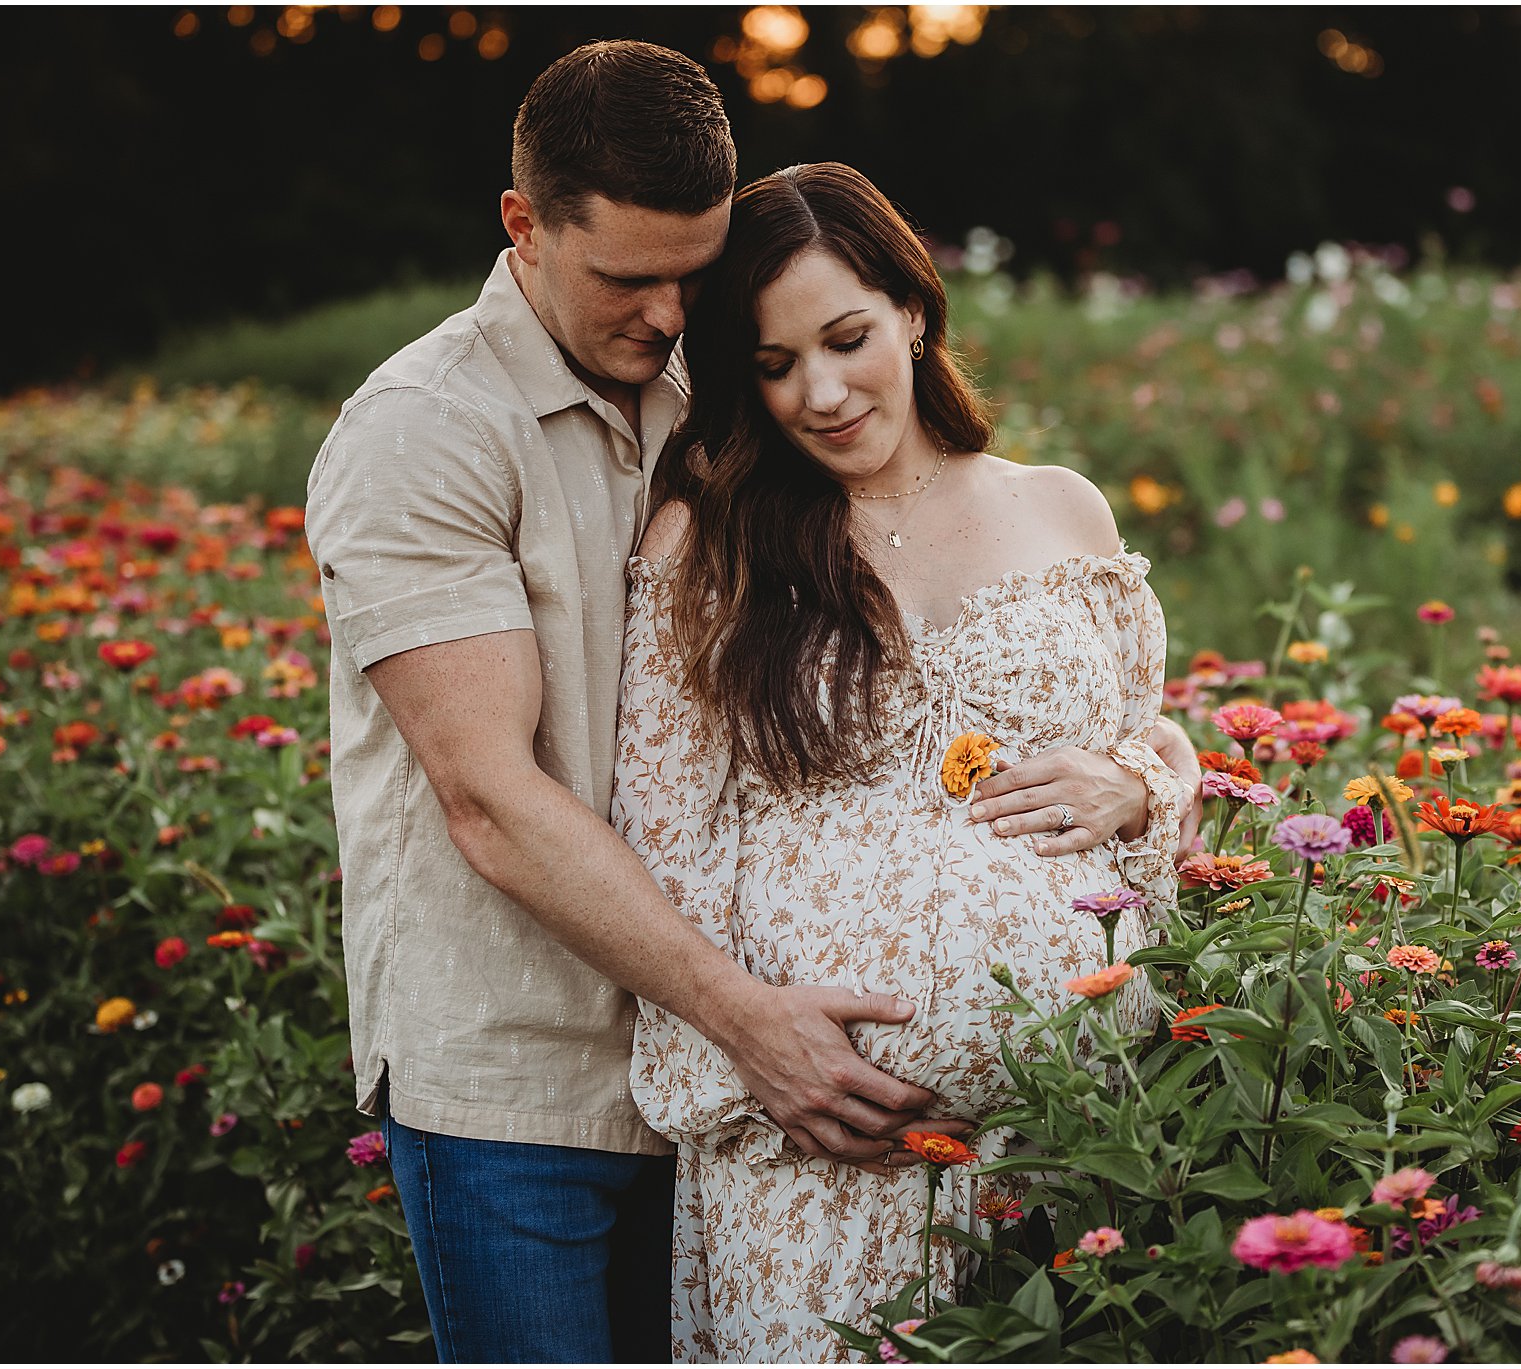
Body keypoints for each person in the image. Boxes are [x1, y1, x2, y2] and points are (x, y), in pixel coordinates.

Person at [306, 42, 1193, 1362]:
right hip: (534, 1069)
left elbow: (1102, 715)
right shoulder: (425, 434)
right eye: (629, 277)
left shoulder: (713, 390)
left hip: (782, 1080)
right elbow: (487, 797)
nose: (669, 314)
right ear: (523, 226)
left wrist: (1148, 773)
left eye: (693, 276)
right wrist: (742, 1025)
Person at [610, 162, 1185, 1363]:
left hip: (1076, 1141)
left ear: (913, 311)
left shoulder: (1059, 509)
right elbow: (666, 840)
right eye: (774, 364)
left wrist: (1139, 781)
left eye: (846, 338)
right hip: (827, 1153)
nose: (820, 393)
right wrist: (757, 1059)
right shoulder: (710, 546)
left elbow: (1153, 738)